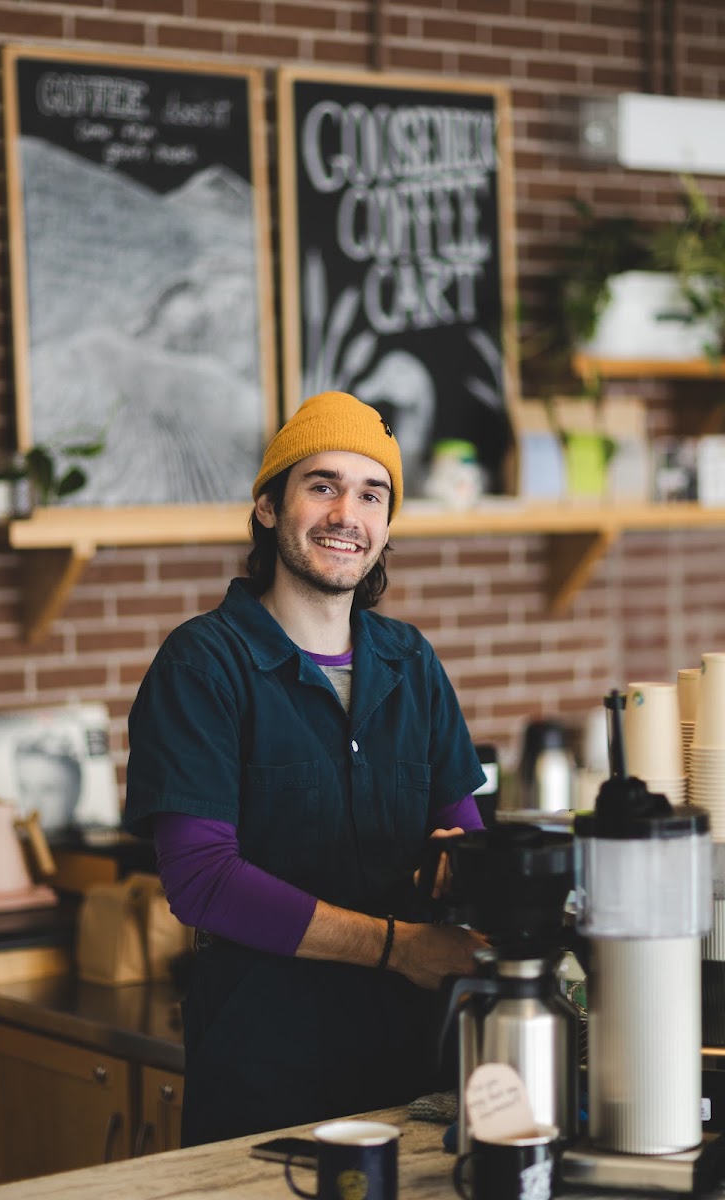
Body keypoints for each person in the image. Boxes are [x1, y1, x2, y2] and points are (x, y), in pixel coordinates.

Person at [124, 390, 487, 1147]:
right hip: (267, 1082)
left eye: (371, 494)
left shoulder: (411, 663)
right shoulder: (203, 665)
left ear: (386, 525)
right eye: (323, 486)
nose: (346, 514)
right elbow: (202, 880)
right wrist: (400, 946)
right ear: (267, 506)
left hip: (412, 1080)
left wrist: (472, 869)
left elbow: (464, 837)